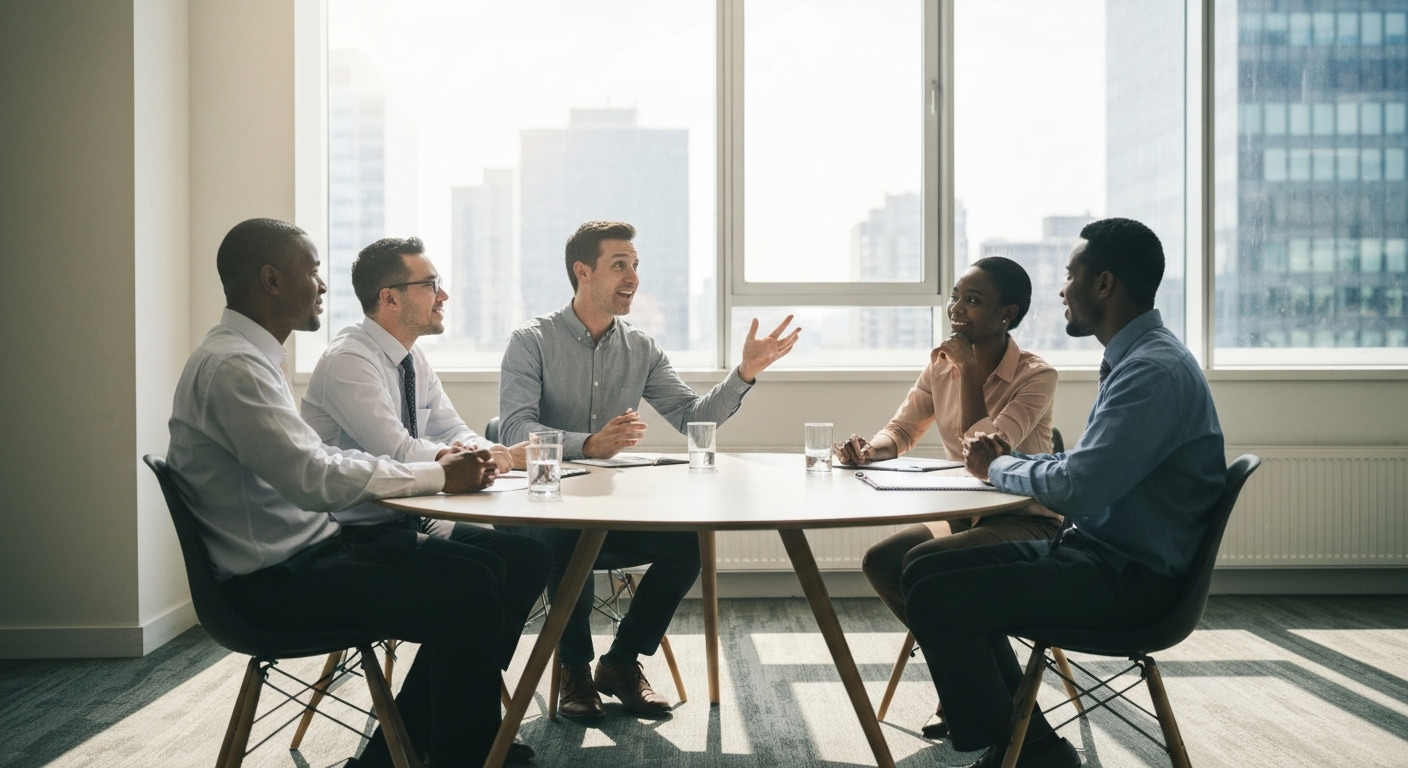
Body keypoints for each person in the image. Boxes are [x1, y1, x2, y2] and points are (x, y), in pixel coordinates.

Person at [167, 218, 536, 768]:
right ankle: (455, 754)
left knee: (492, 575)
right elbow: (314, 478)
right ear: (271, 280)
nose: (322, 285)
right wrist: (440, 474)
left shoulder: (252, 358)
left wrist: (452, 465)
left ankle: (408, 752)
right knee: (473, 600)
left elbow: (322, 463)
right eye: (312, 270)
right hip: (272, 584)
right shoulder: (234, 367)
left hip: (304, 557)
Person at [902, 218, 1226, 768]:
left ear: (1103, 284)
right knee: (921, 570)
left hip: (1130, 582)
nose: (1061, 289)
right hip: (1102, 557)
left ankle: (1017, 748)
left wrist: (1000, 464)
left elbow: (1079, 486)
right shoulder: (1139, 360)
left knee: (937, 592)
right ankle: (1030, 747)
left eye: (1070, 275)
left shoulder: (1151, 371)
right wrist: (1013, 462)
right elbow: (1084, 467)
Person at [498, 220, 800, 718]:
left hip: (613, 512)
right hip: (545, 513)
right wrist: (589, 445)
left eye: (635, 266)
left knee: (689, 542)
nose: (633, 277)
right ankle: (573, 669)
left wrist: (744, 373)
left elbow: (691, 419)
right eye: (619, 265)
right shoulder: (531, 341)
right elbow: (514, 430)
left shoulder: (641, 348)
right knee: (562, 541)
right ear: (583, 272)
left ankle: (620, 661)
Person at [301, 236, 553, 761]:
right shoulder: (350, 360)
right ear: (389, 298)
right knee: (480, 583)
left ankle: (426, 732)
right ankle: (460, 741)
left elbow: (455, 430)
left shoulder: (412, 360)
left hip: (406, 524)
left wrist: (497, 452)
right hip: (354, 535)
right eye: (431, 284)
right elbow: (401, 452)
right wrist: (491, 460)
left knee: (528, 556)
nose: (444, 295)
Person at [839, 256, 1059, 740]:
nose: (957, 309)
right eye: (956, 297)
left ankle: (969, 685)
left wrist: (970, 372)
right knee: (883, 561)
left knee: (927, 566)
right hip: (966, 517)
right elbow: (902, 429)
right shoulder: (940, 364)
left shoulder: (1036, 375)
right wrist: (867, 451)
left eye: (973, 301)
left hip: (1025, 519)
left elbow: (985, 451)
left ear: (1008, 314)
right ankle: (962, 666)